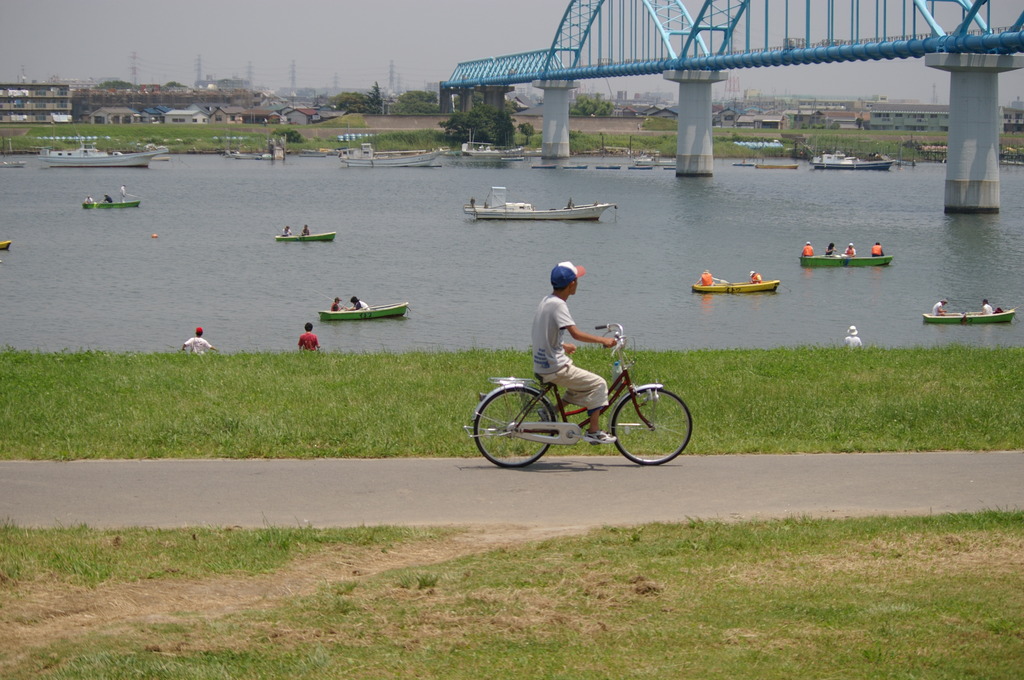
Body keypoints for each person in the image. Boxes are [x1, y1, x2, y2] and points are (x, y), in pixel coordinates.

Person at [532, 261, 618, 445]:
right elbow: (576, 334)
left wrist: (562, 346)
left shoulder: (547, 301)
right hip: (554, 367)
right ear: (571, 285)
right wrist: (603, 340)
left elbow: (545, 333)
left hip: (543, 363)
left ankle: (550, 412)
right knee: (599, 384)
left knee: (578, 386)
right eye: (577, 280)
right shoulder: (559, 305)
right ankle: (594, 431)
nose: (578, 283)